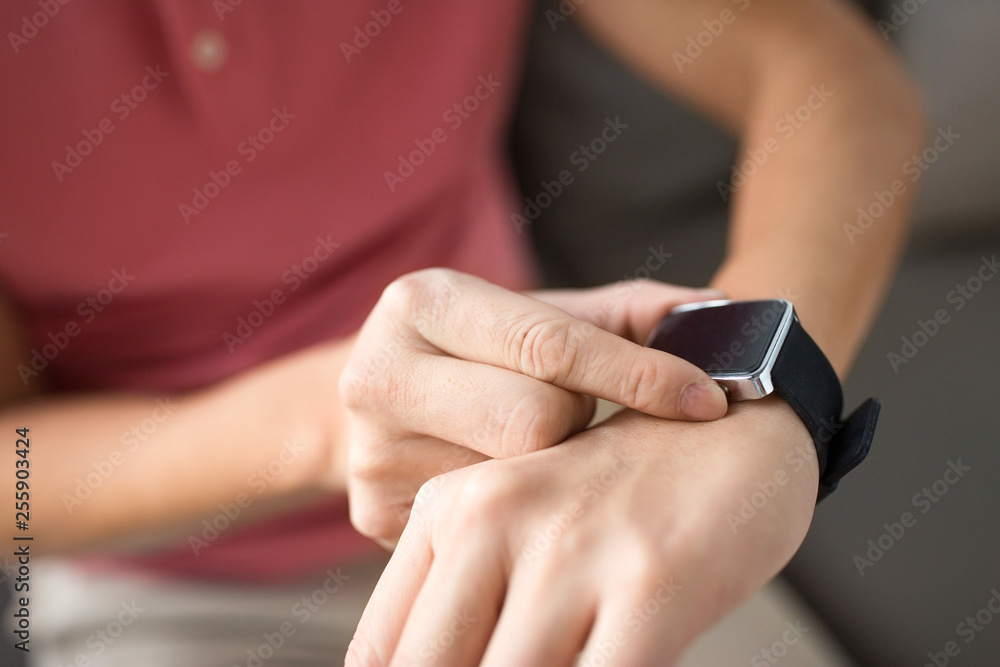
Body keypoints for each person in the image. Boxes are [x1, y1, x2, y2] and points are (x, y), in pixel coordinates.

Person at [0, 0, 924, 665]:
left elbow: (823, 70)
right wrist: (329, 422)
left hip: (557, 470)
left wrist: (761, 400)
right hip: (166, 585)